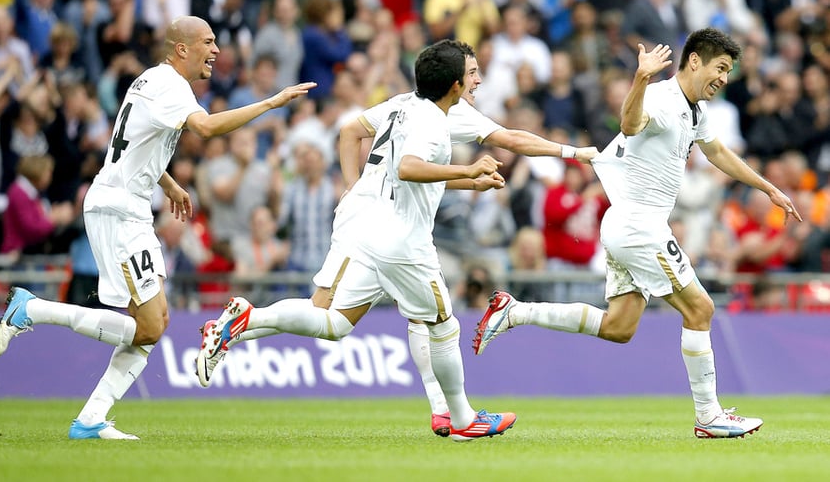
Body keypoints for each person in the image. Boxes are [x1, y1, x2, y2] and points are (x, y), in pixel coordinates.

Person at [194, 40, 598, 437]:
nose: (479, 80)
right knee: (440, 323)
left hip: (367, 223)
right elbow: (409, 168)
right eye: (473, 73)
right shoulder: (433, 124)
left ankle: (246, 319)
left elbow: (356, 131)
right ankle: (459, 419)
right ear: (454, 82)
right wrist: (467, 171)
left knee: (333, 320)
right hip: (399, 235)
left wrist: (570, 154)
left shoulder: (411, 105)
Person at [0, 15, 316, 440]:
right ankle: (31, 309)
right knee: (148, 325)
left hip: (130, 206)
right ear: (181, 49)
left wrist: (169, 182)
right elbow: (206, 127)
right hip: (118, 209)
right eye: (208, 41)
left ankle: (90, 419)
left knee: (155, 323)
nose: (216, 50)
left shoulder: (150, 81)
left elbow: (133, 143)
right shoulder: (171, 87)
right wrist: (271, 104)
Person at [473, 28, 803, 439]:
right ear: (695, 61)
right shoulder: (664, 100)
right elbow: (630, 125)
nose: (724, 78)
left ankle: (514, 311)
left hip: (628, 224)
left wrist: (767, 187)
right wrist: (641, 78)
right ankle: (709, 416)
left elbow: (717, 152)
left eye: (730, 72)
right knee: (700, 310)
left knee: (619, 327)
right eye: (720, 68)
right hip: (638, 226)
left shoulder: (694, 110)